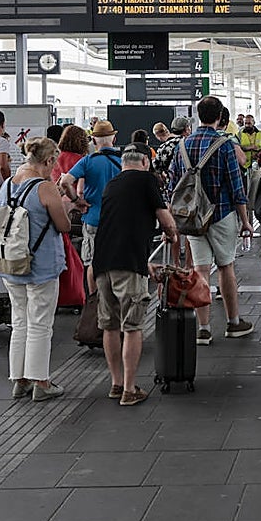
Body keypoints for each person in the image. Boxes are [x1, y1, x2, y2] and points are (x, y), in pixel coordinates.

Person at [92, 143, 177, 406]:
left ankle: (116, 384)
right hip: (128, 264)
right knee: (133, 326)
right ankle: (130, 389)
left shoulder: (113, 184)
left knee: (110, 326)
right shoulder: (146, 180)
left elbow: (117, 225)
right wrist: (172, 235)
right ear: (145, 162)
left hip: (102, 262)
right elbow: (166, 220)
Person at [167, 96, 255, 345]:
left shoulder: (182, 145)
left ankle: (203, 328)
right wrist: (245, 220)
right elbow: (236, 187)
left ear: (198, 115)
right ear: (220, 117)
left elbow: (173, 186)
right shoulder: (224, 144)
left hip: (192, 217)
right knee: (226, 266)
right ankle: (233, 323)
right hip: (221, 213)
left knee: (200, 269)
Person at [0, 138, 71, 402]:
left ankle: (19, 380)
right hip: (41, 264)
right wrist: (67, 204)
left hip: (11, 263)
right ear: (49, 160)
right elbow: (63, 226)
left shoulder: (7, 186)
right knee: (40, 323)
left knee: (20, 322)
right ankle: (41, 381)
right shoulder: (45, 187)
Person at [58, 120, 123, 294]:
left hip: (93, 217)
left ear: (94, 141)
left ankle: (95, 301)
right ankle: (114, 300)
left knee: (93, 263)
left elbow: (65, 182)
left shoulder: (87, 161)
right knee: (118, 262)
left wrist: (76, 200)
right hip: (119, 220)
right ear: (114, 139)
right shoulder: (123, 162)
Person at [153, 116, 192, 190]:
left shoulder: (163, 148)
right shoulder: (191, 144)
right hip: (190, 189)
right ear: (186, 129)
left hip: (172, 190)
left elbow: (155, 169)